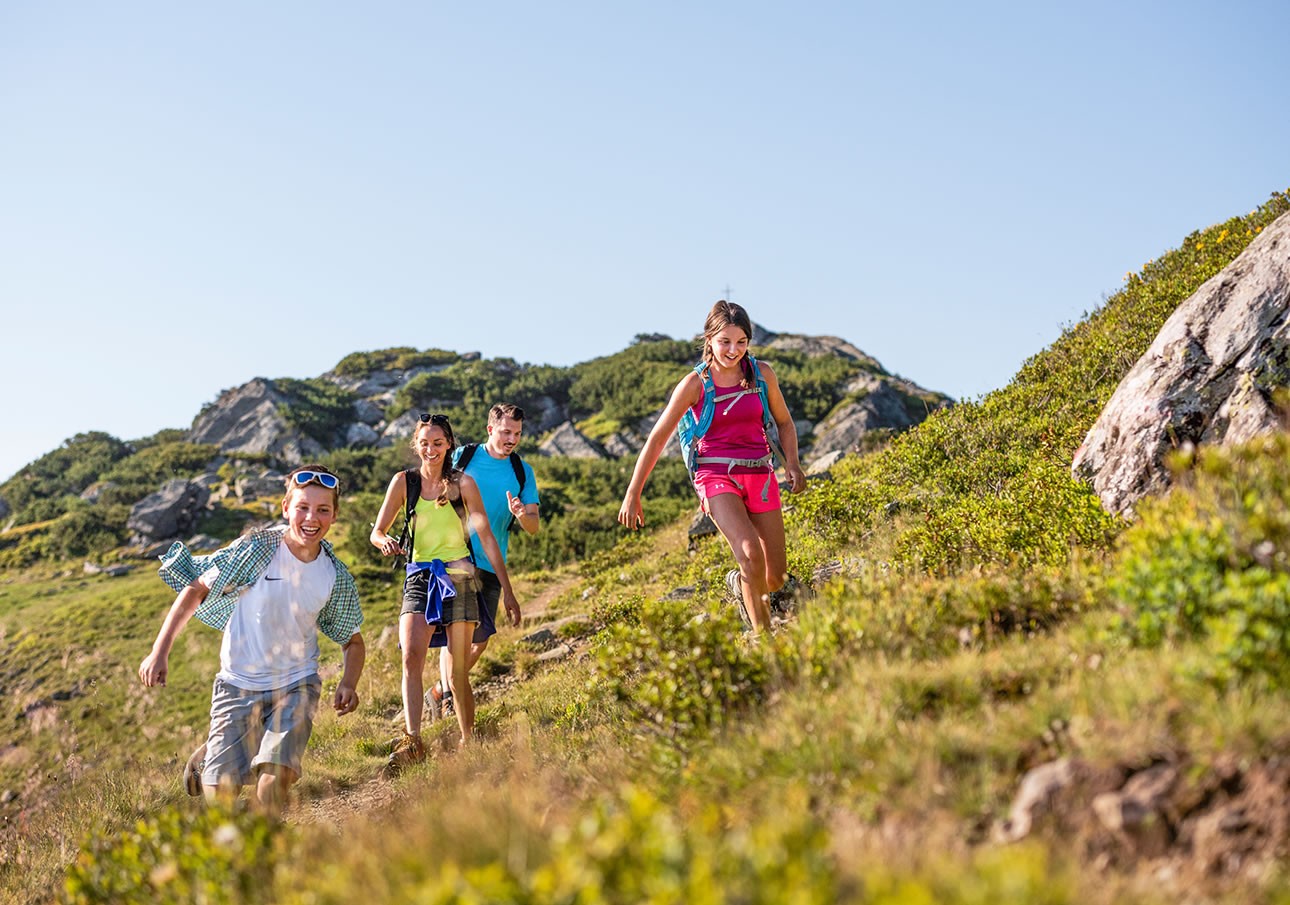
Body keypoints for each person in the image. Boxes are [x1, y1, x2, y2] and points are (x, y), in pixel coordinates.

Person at [138, 466, 366, 816]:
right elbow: (197, 589)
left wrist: (349, 683)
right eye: (303, 507)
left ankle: (262, 858)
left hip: (296, 684)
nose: (311, 518)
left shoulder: (333, 575)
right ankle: (211, 759)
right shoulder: (257, 550)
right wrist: (160, 651)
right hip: (237, 684)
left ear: (334, 515)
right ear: (286, 507)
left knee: (272, 784)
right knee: (222, 805)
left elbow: (352, 639)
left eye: (323, 510)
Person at [618, 300, 807, 633]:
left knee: (775, 576)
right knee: (749, 554)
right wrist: (633, 492)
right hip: (715, 474)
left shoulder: (762, 375)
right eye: (725, 342)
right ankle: (765, 643)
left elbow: (785, 423)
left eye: (741, 342)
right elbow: (657, 438)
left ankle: (741, 584)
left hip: (759, 472)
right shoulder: (695, 384)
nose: (733, 350)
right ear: (709, 339)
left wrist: (793, 463)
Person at [370, 412, 518, 764]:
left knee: (457, 669)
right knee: (410, 656)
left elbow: (487, 538)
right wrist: (384, 541)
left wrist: (508, 590)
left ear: (449, 444)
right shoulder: (403, 483)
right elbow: (376, 531)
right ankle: (414, 740)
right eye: (424, 443)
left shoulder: (463, 484)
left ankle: (469, 740)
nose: (430, 449)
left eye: (437, 443)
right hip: (419, 576)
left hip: (462, 578)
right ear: (416, 446)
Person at [424, 402, 539, 721]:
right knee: (455, 634)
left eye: (517, 433)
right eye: (505, 431)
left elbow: (533, 526)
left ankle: (438, 690)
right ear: (491, 430)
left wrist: (521, 514)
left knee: (481, 640)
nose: (511, 438)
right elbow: (434, 489)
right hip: (454, 558)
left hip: (492, 562)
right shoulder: (465, 457)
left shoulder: (521, 471)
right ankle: (449, 699)